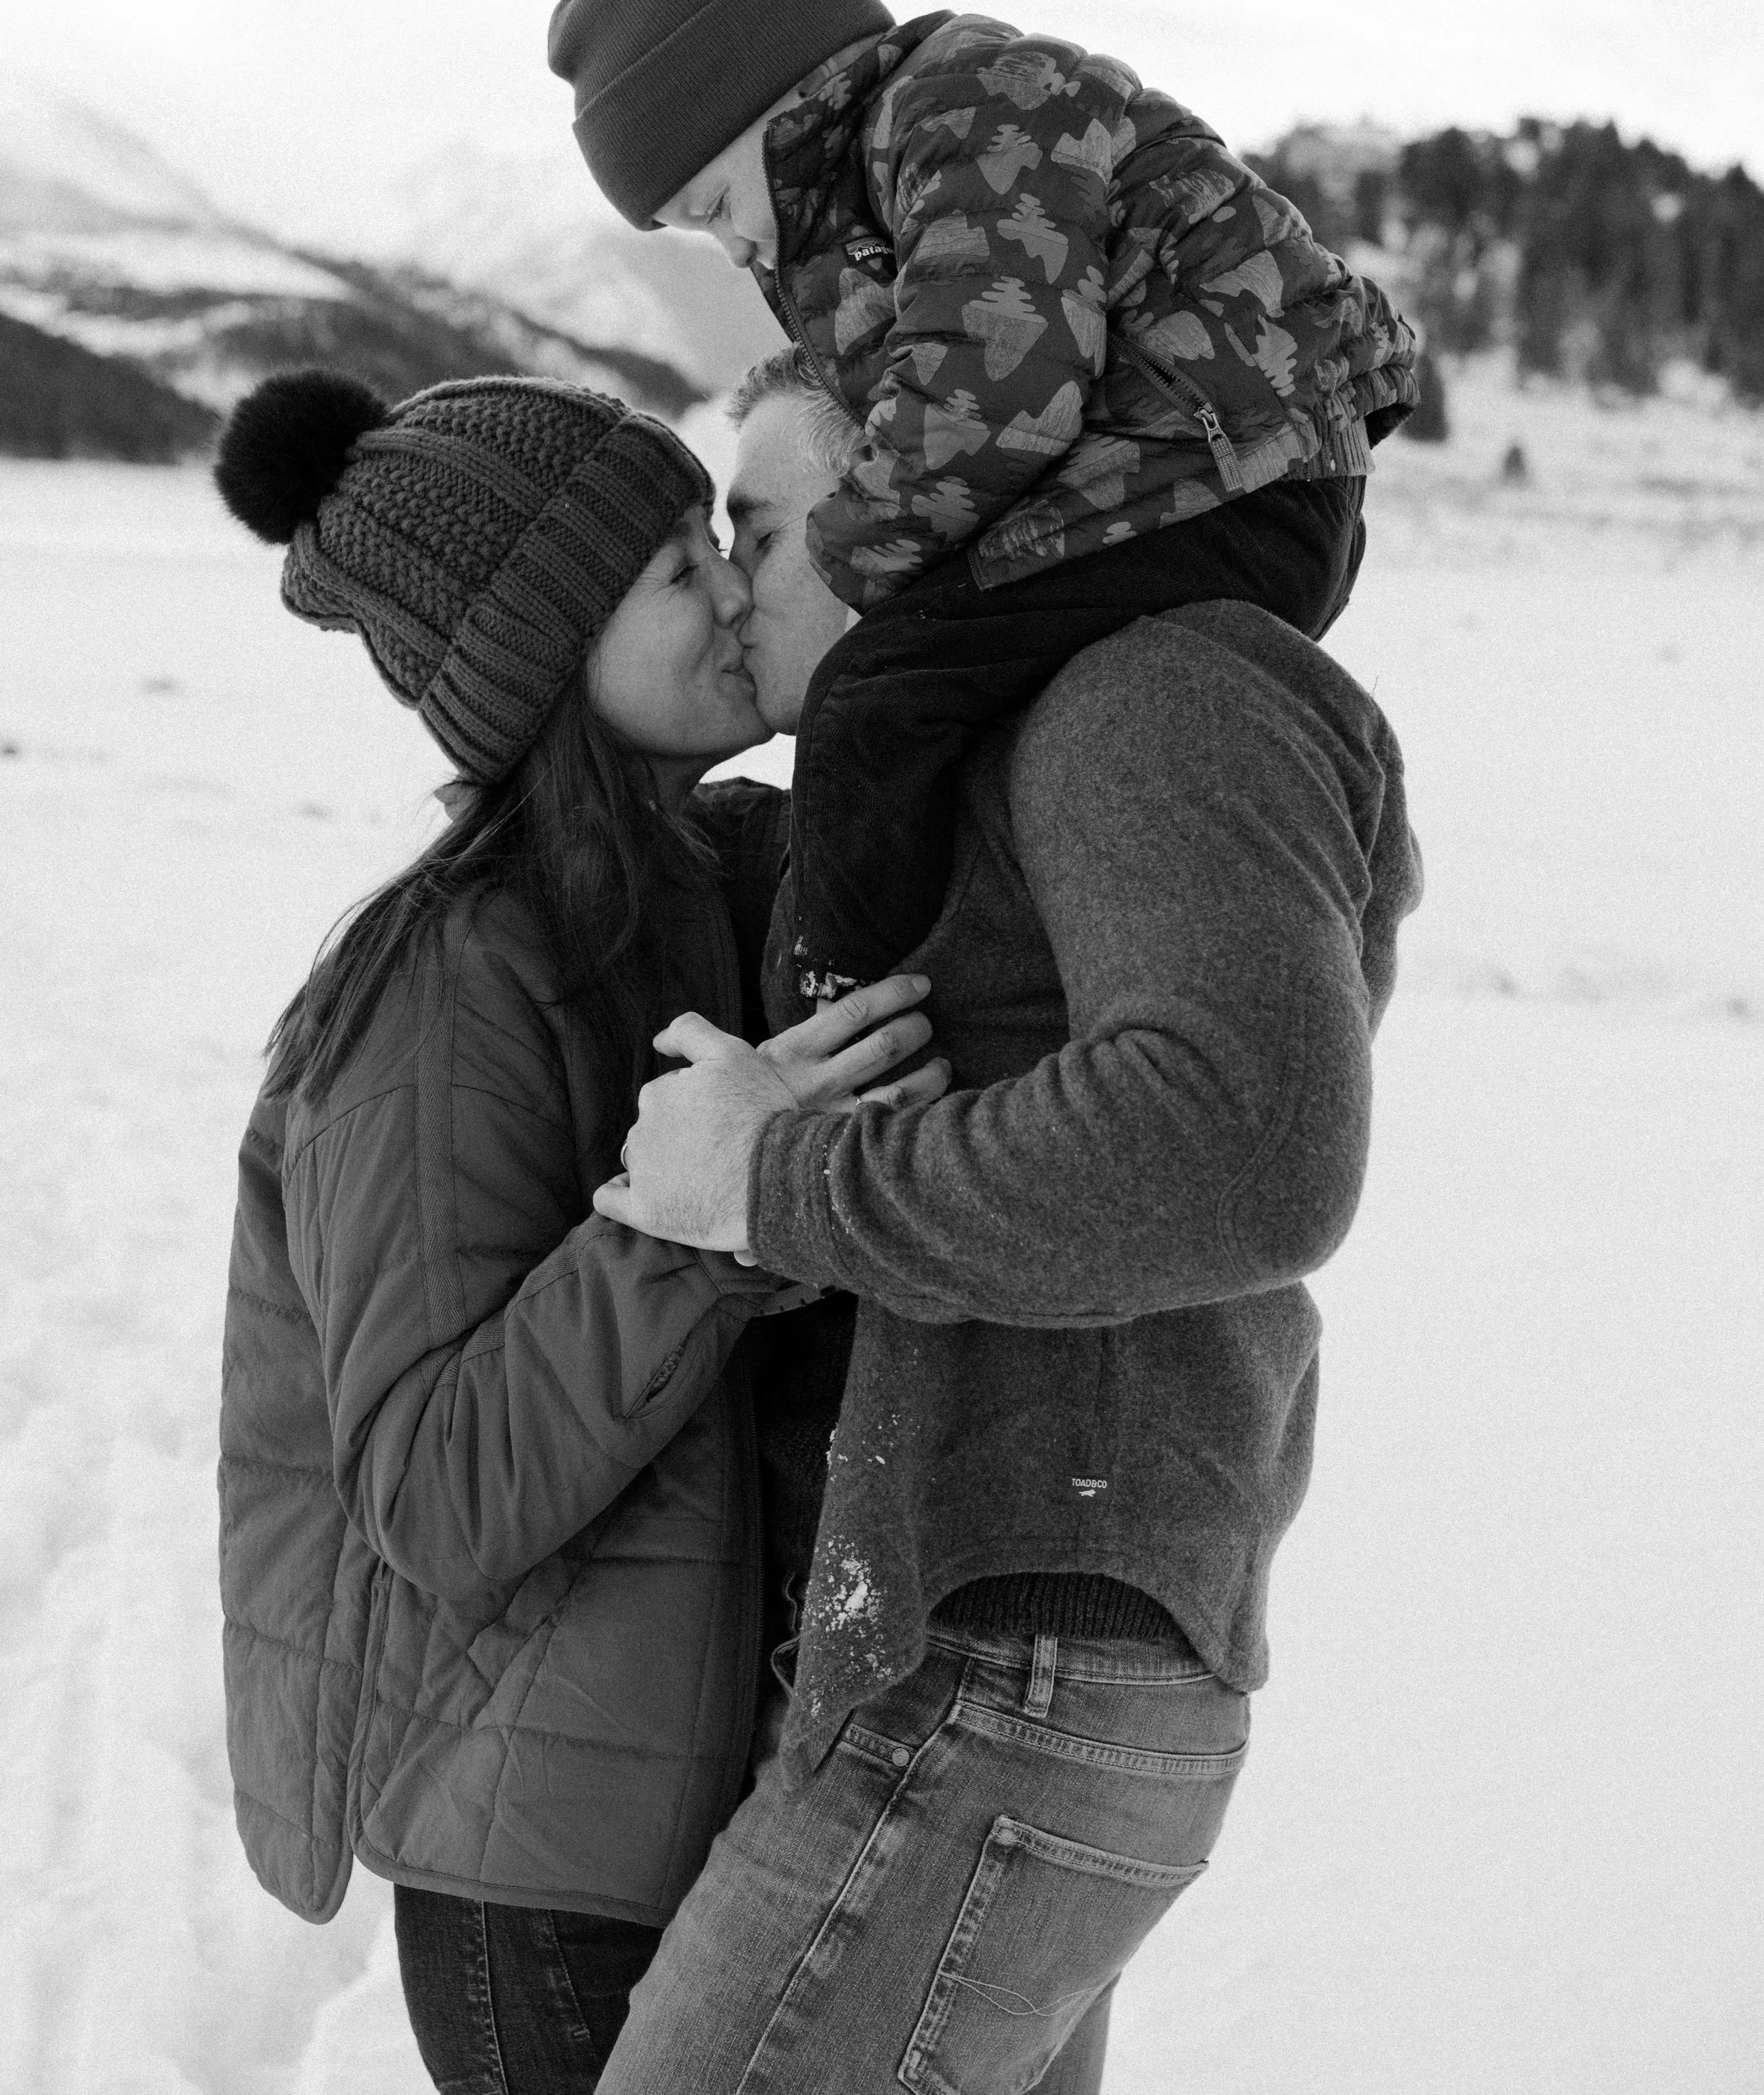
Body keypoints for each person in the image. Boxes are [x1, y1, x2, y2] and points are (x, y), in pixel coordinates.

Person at [590, 349, 1425, 2094]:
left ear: (909, 500)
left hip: (1018, 1655)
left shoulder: (1152, 692)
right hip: (982, 1649)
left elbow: (1239, 1149)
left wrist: (765, 1180)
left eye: (757, 520)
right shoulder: (999, 745)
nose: (731, 579)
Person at [210, 365, 943, 2095]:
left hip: (707, 1829)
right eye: (673, 565)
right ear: (547, 648)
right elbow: (436, 1487)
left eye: (717, 535)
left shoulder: (716, 883)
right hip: (542, 1895)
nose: (726, 582)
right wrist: (705, 1215)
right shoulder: (447, 982)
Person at [549, 0, 1419, 1007]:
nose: (728, 245)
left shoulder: (963, 107)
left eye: (712, 206)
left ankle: (843, 1005)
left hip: (1222, 480)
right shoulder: (847, 207)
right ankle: (992, 979)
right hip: (1175, 482)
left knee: (877, 696)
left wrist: (843, 557)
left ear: (769, 93)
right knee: (954, 701)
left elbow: (994, 388)